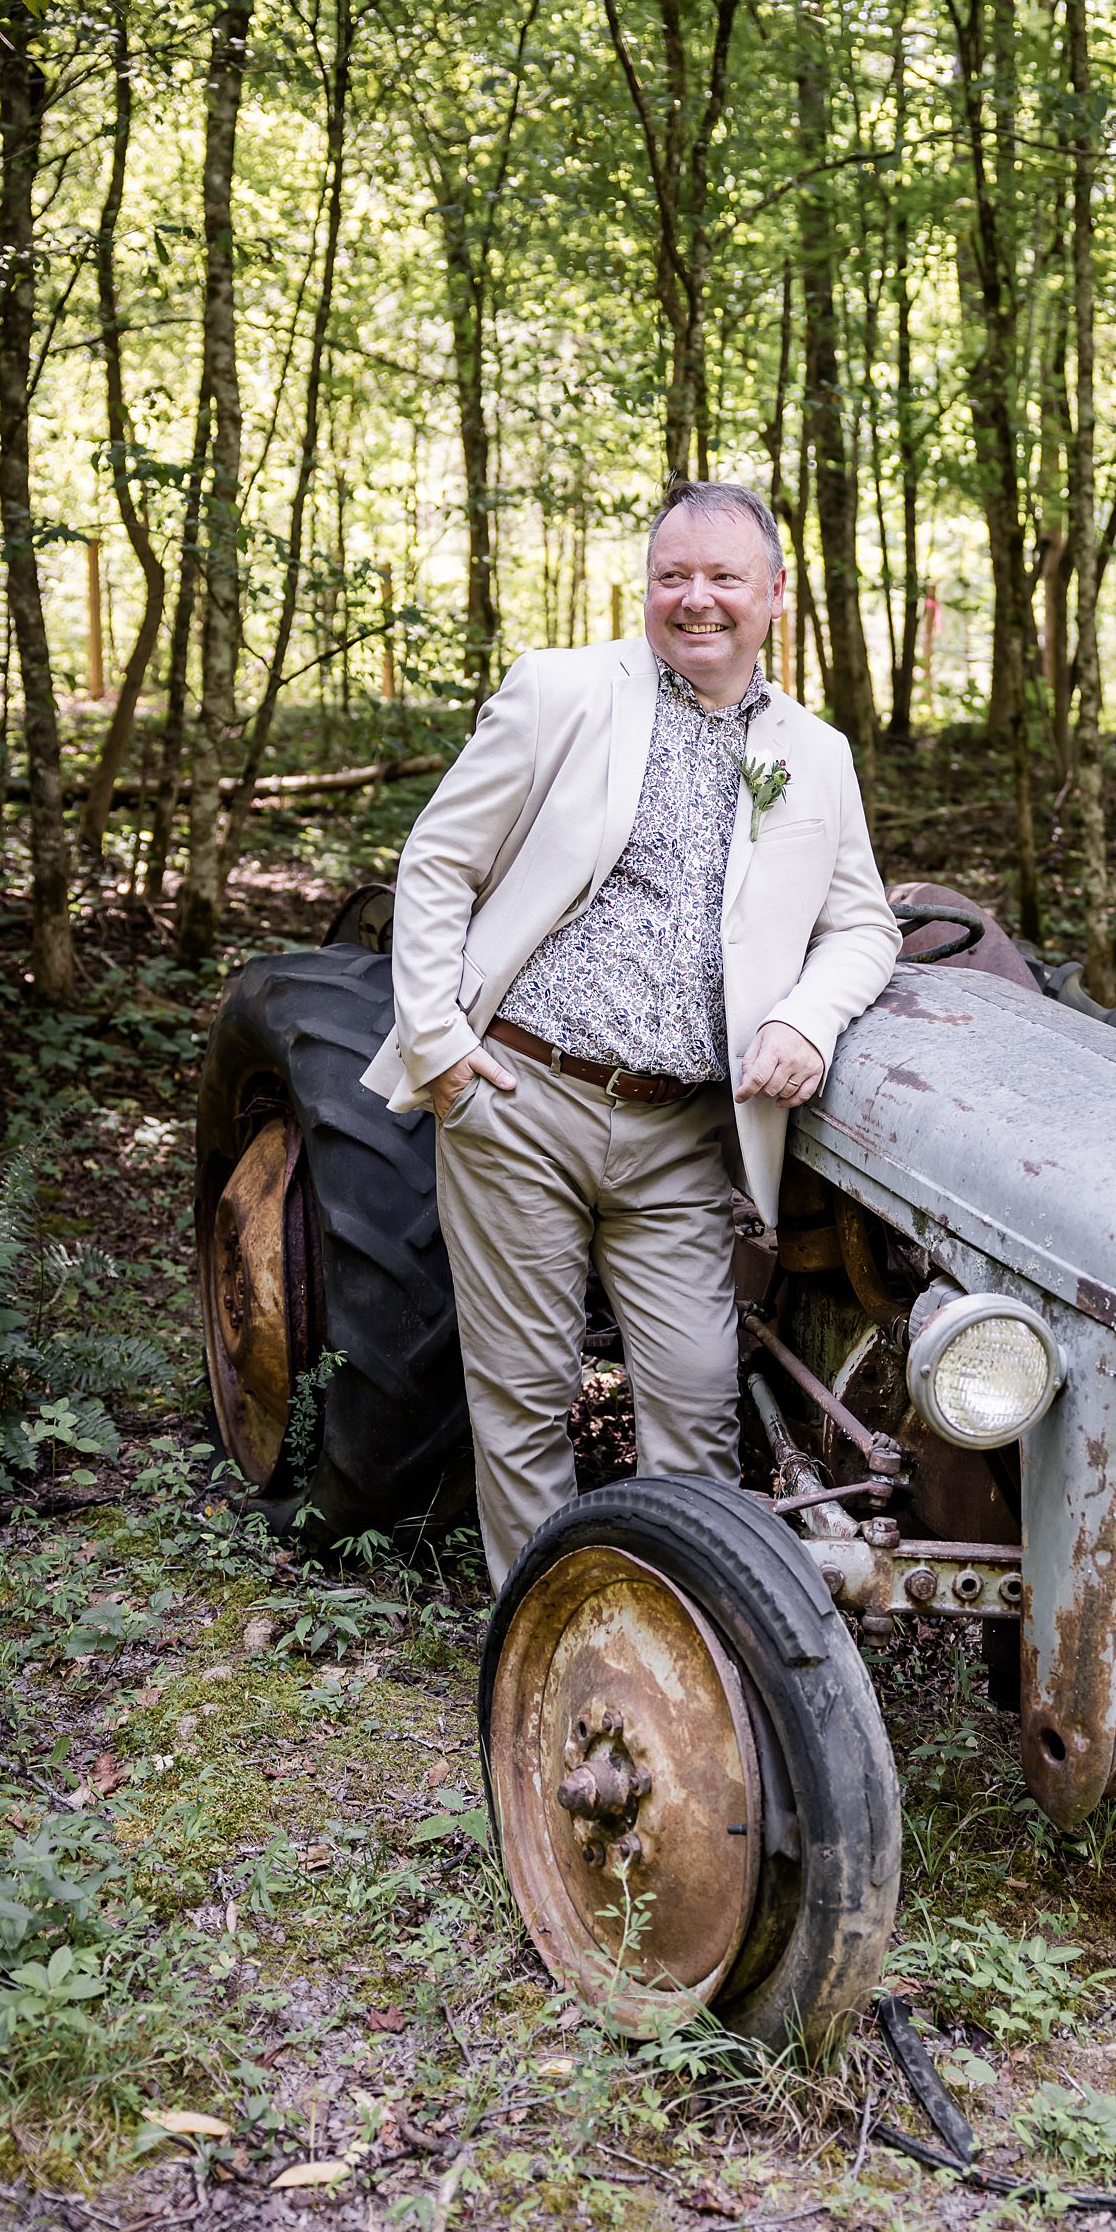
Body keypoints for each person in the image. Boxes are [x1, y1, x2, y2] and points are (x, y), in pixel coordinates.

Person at [361, 480, 901, 1590]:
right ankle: (539, 1640)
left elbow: (862, 925)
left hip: (681, 1132)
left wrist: (806, 1012)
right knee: (522, 1394)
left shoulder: (814, 751)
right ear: (645, 585)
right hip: (521, 1096)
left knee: (697, 1397)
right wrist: (439, 1045)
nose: (694, 600)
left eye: (722, 579)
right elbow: (438, 863)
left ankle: (686, 1640)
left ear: (773, 597)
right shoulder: (562, 691)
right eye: (672, 576)